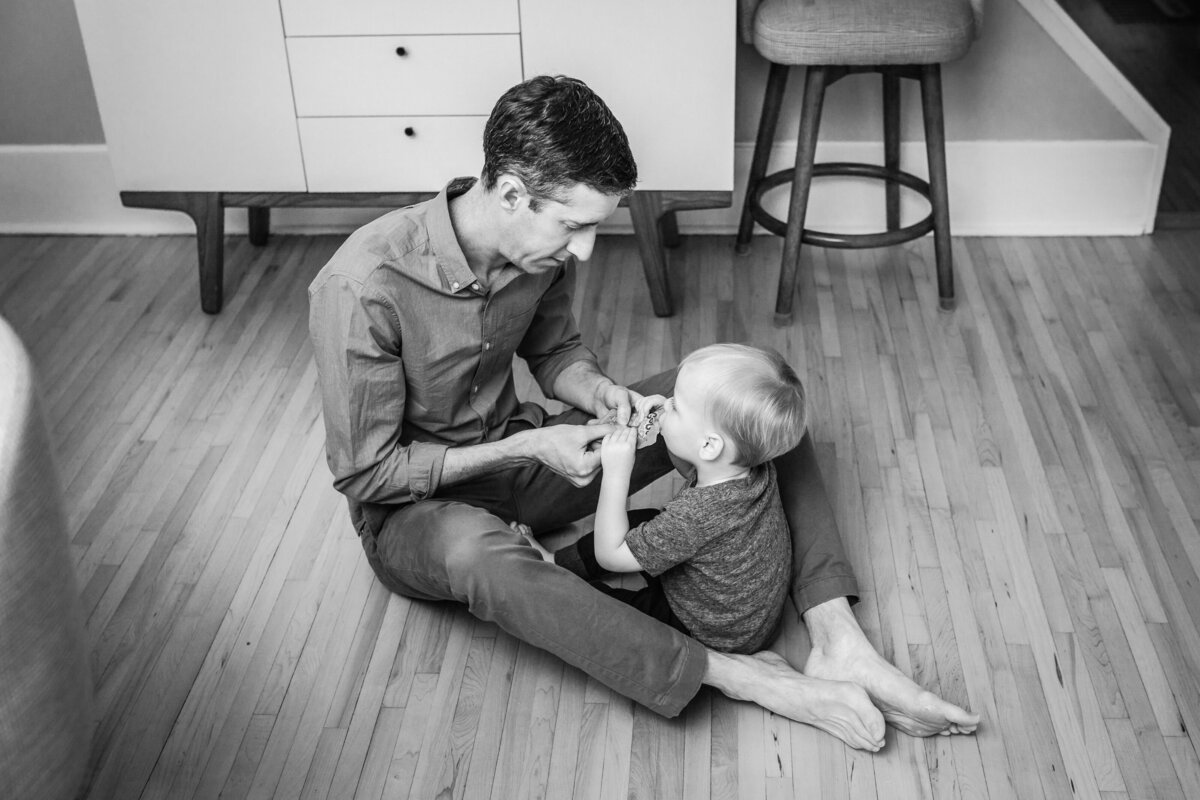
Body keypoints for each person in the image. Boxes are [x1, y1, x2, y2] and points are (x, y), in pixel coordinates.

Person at [307, 74, 979, 752]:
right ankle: (738, 675)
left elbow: (557, 351)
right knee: (482, 557)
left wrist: (598, 392)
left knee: (748, 391)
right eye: (575, 225)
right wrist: (529, 449)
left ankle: (838, 637)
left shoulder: (538, 250)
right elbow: (368, 476)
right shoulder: (362, 286)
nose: (584, 249)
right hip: (416, 511)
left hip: (533, 457)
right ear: (512, 193)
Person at [531, 343, 800, 656]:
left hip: (707, 630)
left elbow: (609, 556)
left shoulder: (693, 517)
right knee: (643, 522)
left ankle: (550, 578)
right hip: (743, 614)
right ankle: (556, 563)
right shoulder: (747, 466)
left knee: (598, 611)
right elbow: (691, 465)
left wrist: (617, 472)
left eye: (677, 405)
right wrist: (663, 419)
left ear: (710, 445)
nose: (667, 402)